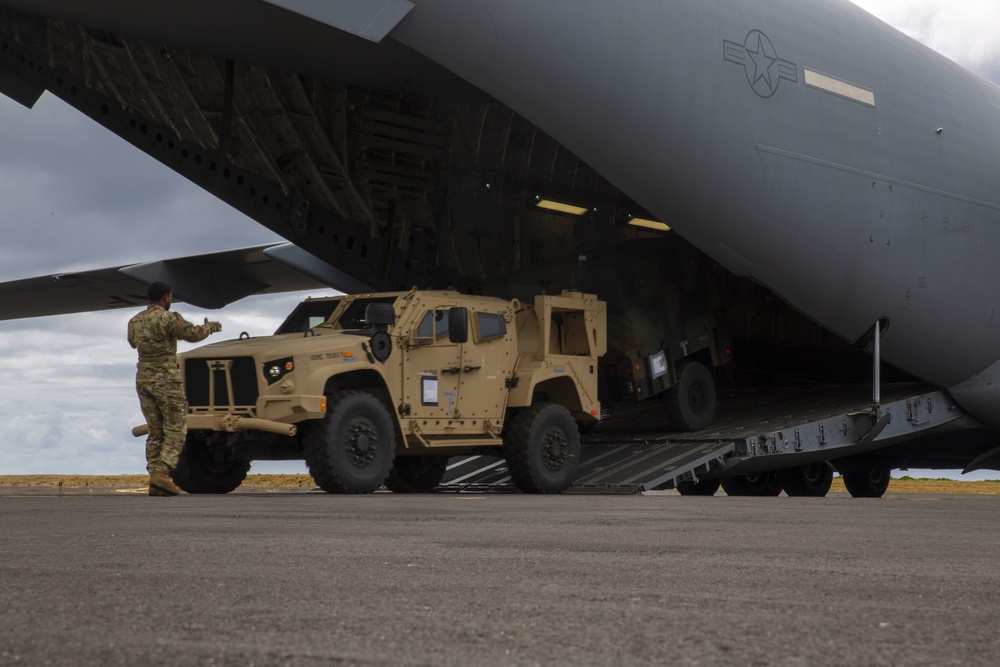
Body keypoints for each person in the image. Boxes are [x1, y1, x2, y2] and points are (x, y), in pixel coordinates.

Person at [127, 281, 222, 496]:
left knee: (155, 430)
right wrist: (211, 327)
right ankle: (162, 472)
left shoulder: (135, 321)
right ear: (166, 297)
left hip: (143, 379)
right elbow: (192, 334)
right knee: (176, 428)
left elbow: (133, 343)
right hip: (166, 380)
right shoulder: (168, 318)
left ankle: (155, 480)